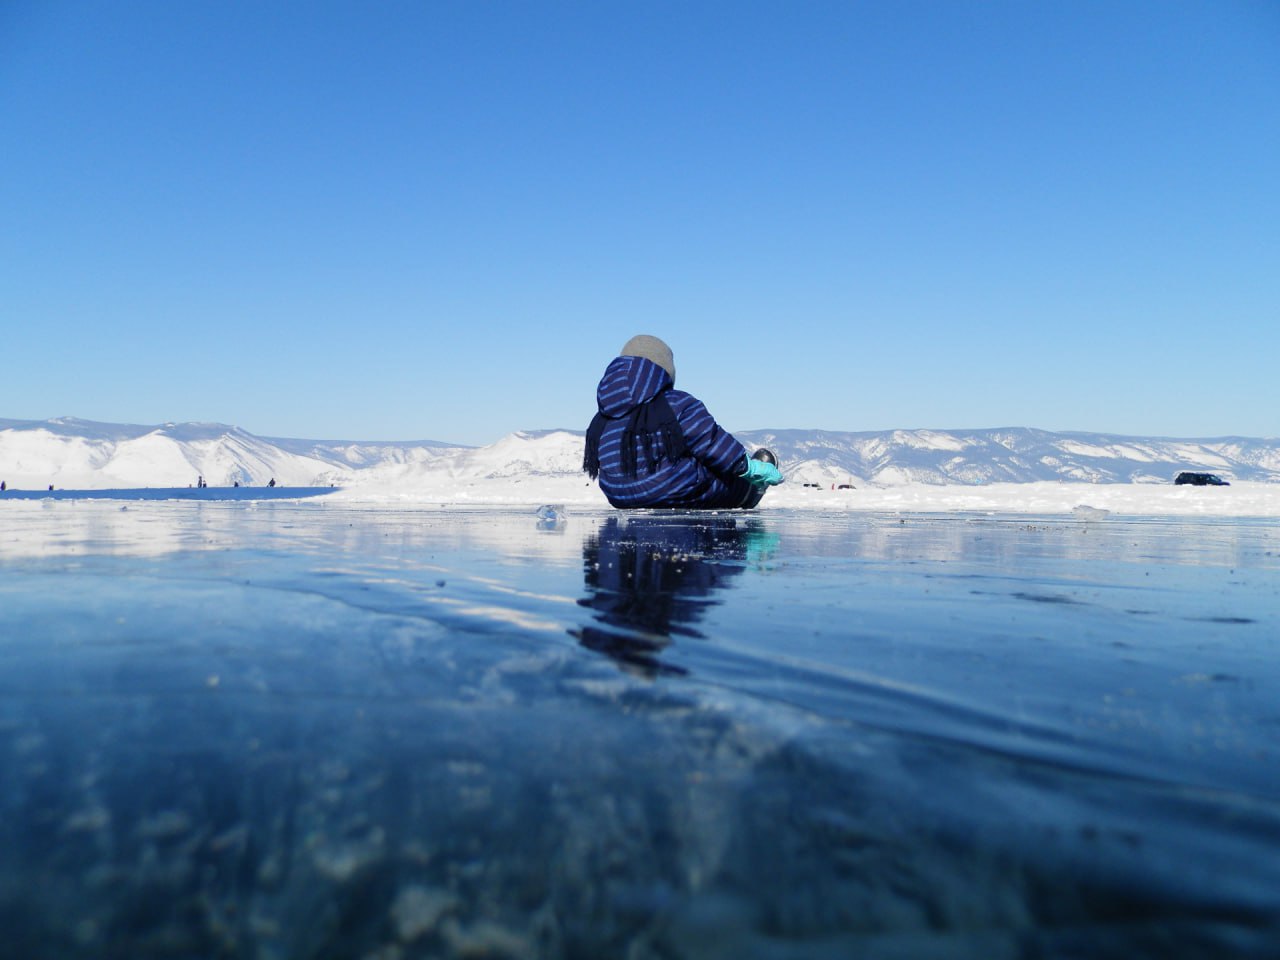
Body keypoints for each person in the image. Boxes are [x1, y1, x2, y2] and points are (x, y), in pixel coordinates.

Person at [583, 334, 783, 509]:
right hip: (672, 489)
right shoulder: (675, 403)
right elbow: (710, 441)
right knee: (720, 476)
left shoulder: (601, 418)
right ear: (664, 370)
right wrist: (747, 466)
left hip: (619, 496)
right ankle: (748, 493)